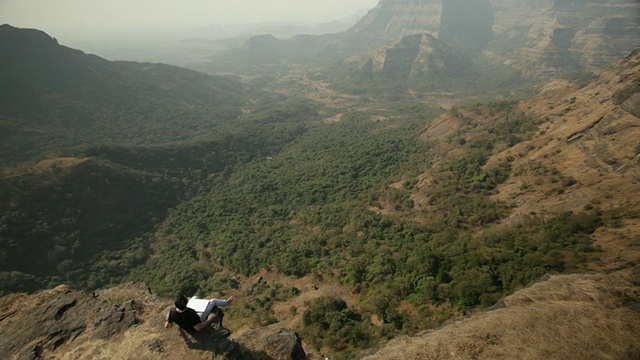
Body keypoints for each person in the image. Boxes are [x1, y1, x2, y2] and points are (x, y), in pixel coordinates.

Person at [164, 294, 234, 333]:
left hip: (187, 320)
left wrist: (171, 319)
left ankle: (202, 303)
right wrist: (209, 319)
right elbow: (198, 328)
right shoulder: (191, 313)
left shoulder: (172, 312)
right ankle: (226, 303)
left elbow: (167, 326)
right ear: (186, 304)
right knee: (213, 301)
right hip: (196, 321)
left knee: (195, 297)